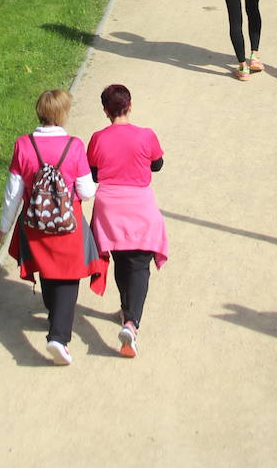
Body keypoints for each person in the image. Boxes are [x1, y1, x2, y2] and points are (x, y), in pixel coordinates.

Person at [0, 89, 105, 366]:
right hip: (68, 226)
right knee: (68, 278)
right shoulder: (74, 146)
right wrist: (96, 183)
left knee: (47, 270)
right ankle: (58, 337)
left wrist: (4, 226)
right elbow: (85, 190)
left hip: (35, 224)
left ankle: (53, 313)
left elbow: (13, 192)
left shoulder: (23, 145)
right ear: (62, 114)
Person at [87, 84, 167, 359]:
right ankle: (131, 324)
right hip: (139, 205)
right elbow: (157, 165)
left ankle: (125, 311)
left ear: (105, 111)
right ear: (130, 106)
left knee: (121, 259)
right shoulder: (146, 135)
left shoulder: (97, 138)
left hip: (109, 208)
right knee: (140, 264)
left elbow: (94, 174)